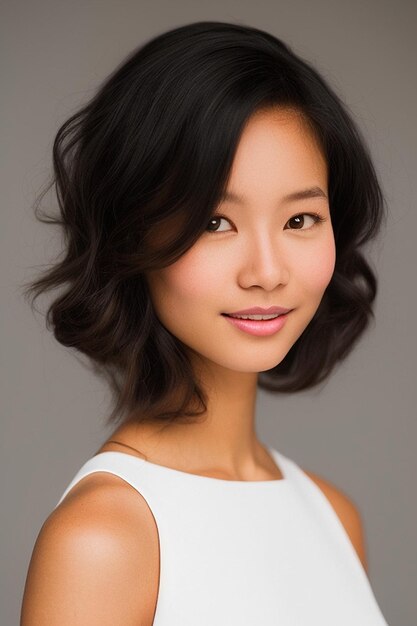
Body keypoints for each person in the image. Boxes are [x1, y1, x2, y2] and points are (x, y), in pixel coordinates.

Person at [20, 21, 389, 625]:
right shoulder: (103, 540)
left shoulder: (334, 517)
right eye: (216, 222)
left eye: (300, 220)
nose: (268, 272)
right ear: (133, 230)